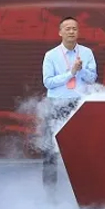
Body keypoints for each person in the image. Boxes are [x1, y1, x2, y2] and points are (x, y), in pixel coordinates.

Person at [40, 16, 98, 188]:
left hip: (79, 105)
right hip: (56, 104)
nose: (71, 31)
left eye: (74, 28)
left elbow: (92, 78)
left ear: (78, 32)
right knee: (50, 149)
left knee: (83, 148)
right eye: (67, 29)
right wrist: (71, 73)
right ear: (60, 32)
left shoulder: (87, 53)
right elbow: (48, 82)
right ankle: (50, 191)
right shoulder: (51, 55)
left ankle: (84, 188)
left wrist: (81, 71)